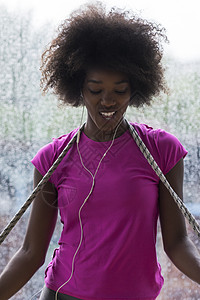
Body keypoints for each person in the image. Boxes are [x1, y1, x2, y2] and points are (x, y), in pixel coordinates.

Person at [0, 2, 200, 300]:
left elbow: (177, 243)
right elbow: (30, 252)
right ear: (78, 89)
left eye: (120, 90)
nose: (108, 101)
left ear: (135, 89)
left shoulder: (162, 151)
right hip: (62, 294)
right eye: (96, 90)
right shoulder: (52, 159)